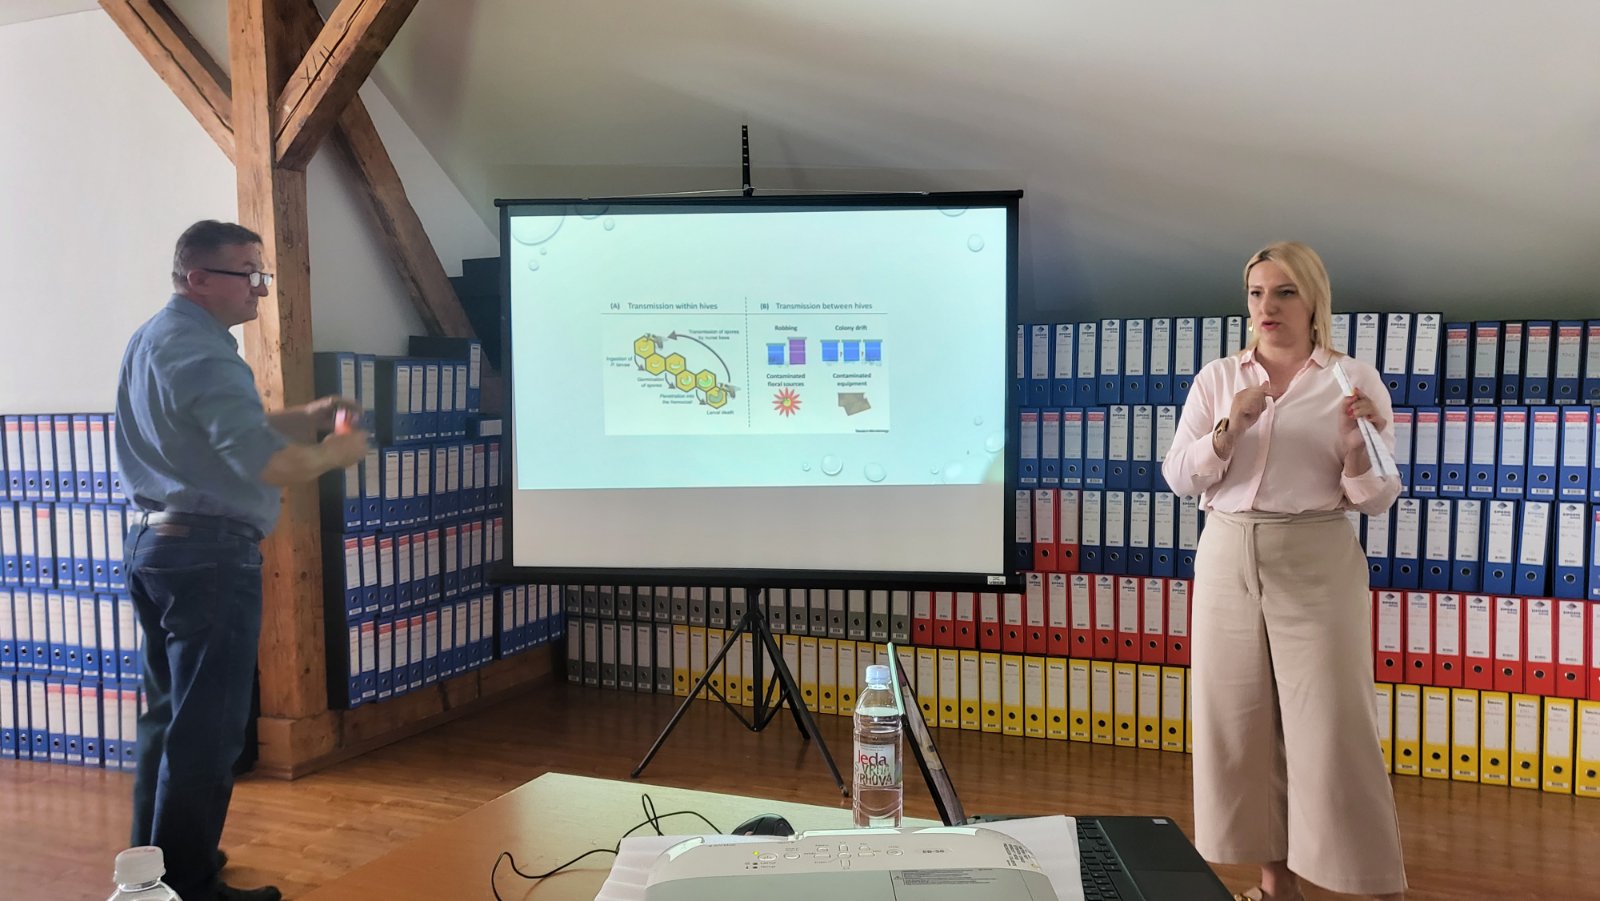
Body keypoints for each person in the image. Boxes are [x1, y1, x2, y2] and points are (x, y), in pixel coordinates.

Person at [115, 220, 371, 901]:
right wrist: (337, 452)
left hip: (157, 546)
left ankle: (154, 869)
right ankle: (188, 881)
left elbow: (209, 437)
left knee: (168, 719)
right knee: (209, 728)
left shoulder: (154, 338)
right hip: (209, 556)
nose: (260, 288)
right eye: (248, 274)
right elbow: (267, 464)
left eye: (263, 274)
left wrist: (305, 416)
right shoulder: (206, 353)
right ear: (198, 278)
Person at [1160, 242, 1407, 901]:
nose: (1266, 306)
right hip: (1227, 551)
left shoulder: (1350, 379)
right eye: (1256, 293)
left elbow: (1379, 497)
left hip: (1315, 553)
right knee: (1238, 724)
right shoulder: (1219, 377)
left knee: (1334, 727)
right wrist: (1227, 428)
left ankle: (1373, 886)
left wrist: (1356, 451)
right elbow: (1178, 475)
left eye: (1283, 292)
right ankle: (1275, 886)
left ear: (1313, 298)